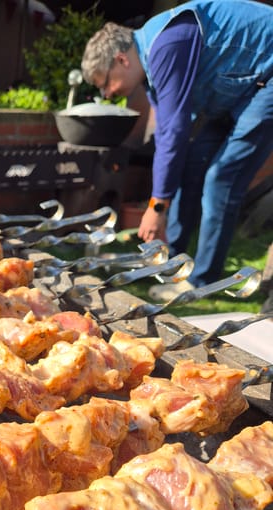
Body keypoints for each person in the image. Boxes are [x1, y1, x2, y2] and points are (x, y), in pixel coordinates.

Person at [81, 0, 273, 302]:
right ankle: (174, 263)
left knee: (221, 178)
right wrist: (159, 202)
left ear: (121, 59)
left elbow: (175, 130)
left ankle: (201, 281)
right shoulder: (150, 66)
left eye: (104, 84)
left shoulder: (167, 44)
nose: (107, 94)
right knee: (192, 165)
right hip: (239, 92)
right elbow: (169, 136)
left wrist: (157, 207)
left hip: (266, 80)